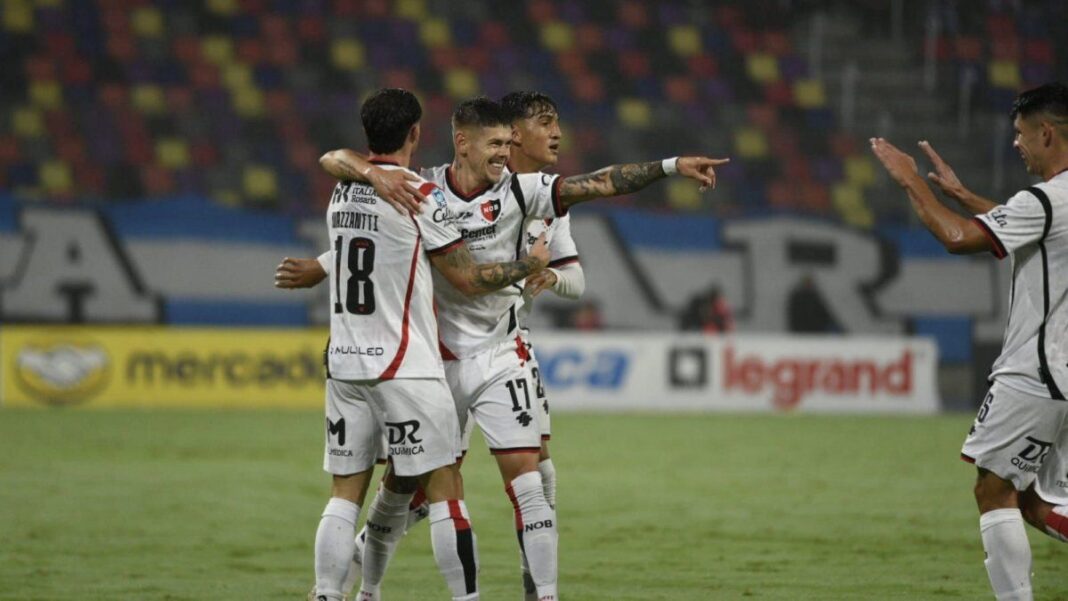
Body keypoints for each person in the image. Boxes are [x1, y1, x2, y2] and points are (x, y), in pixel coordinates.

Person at [300, 96, 728, 601]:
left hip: (499, 354)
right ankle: (366, 581)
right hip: (431, 362)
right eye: (496, 142)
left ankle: (541, 594)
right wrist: (327, 257)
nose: (504, 152)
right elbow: (385, 236)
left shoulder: (527, 192)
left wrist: (671, 166)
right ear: (463, 143)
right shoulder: (424, 188)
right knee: (403, 489)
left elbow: (602, 182)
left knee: (530, 477)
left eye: (507, 143)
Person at [306, 88, 552, 601]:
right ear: (416, 134)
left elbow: (334, 158)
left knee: (344, 495)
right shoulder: (419, 194)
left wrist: (364, 172)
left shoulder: (343, 188)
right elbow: (467, 279)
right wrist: (531, 264)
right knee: (445, 491)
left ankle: (330, 593)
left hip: (345, 363)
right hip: (405, 364)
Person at [870, 82, 1068, 601]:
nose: (1017, 144)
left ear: (1048, 133)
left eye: (1022, 134)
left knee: (993, 490)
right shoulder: (1058, 203)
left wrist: (911, 180)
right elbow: (1038, 228)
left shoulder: (1048, 198)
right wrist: (962, 197)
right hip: (1064, 376)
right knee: (1037, 503)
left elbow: (958, 238)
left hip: (1036, 372)